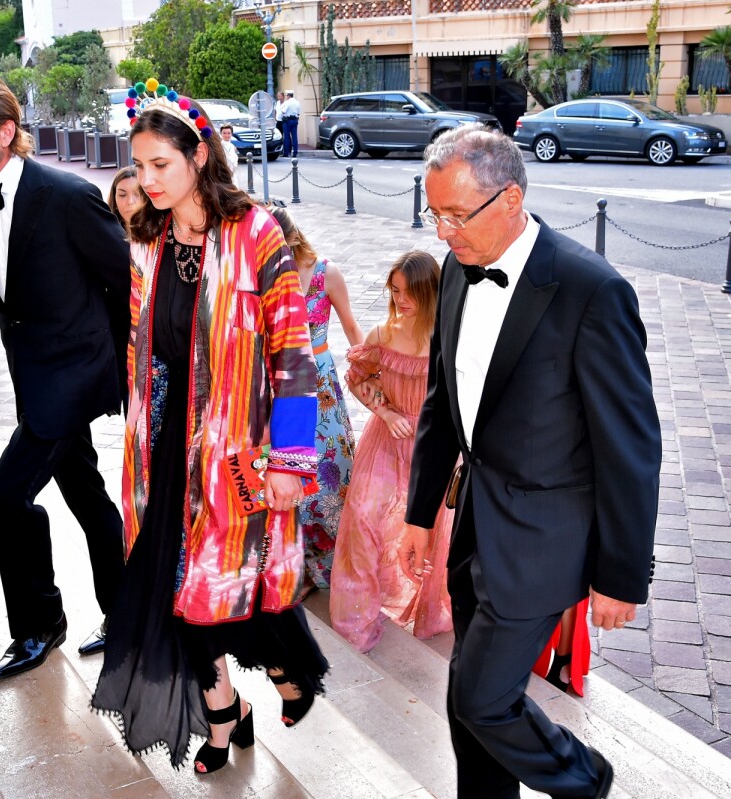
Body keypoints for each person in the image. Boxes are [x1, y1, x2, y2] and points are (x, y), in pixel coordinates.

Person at [397, 125, 661, 798]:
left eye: (457, 214)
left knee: (483, 696)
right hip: (476, 527)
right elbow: (440, 402)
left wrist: (621, 575)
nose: (444, 231)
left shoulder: (591, 291)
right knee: (468, 697)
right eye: (435, 213)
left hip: (546, 539)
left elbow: (629, 446)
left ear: (511, 198)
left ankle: (585, 780)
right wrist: (421, 513)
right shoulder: (457, 268)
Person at [91, 89, 328, 775]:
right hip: (164, 449)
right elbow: (143, 349)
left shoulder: (256, 232)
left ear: (200, 155)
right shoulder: (146, 238)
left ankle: (290, 673)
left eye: (161, 163)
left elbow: (294, 354)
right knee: (170, 594)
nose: (147, 180)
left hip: (238, 451)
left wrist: (290, 457)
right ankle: (224, 713)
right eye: (138, 167)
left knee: (235, 593)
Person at [0, 74, 131, 679]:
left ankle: (38, 625)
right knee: (86, 495)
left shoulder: (67, 195)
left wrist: (117, 370)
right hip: (34, 375)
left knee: (7, 494)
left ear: (6, 131)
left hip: (75, 377)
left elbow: (127, 285)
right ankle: (126, 614)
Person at [328, 251, 453, 653]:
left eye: (409, 292)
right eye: (395, 290)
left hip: (432, 447)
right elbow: (358, 377)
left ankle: (427, 612)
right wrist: (384, 410)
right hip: (385, 441)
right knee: (364, 517)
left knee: (429, 532)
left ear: (430, 291)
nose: (400, 299)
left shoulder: (447, 335)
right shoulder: (383, 333)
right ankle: (357, 620)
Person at [269, 207, 363, 593]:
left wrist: (375, 375)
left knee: (333, 469)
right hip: (284, 385)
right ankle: (301, 563)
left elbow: (353, 326)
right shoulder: (268, 276)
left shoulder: (326, 273)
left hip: (322, 382)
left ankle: (337, 561)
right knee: (295, 471)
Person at [107, 166, 143, 231]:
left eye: (138, 194)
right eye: (122, 195)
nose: (130, 201)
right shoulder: (106, 233)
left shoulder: (162, 236)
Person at [280, 90, 301, 158]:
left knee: (286, 137)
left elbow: (283, 111)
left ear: (288, 95)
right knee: (294, 136)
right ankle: (295, 152)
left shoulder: (288, 102)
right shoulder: (297, 102)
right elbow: (298, 113)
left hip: (287, 121)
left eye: (286, 96)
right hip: (295, 120)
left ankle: (286, 152)